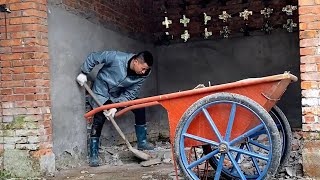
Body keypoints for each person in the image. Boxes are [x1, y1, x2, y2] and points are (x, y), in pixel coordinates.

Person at [76, 50, 154, 167]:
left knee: (139, 107)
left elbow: (131, 93)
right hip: (102, 92)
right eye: (142, 68)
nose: (143, 72)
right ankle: (93, 154)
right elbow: (94, 57)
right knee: (100, 115)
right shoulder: (116, 57)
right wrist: (84, 72)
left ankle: (142, 142)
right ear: (136, 61)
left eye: (146, 70)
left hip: (118, 95)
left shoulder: (143, 74)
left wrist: (117, 106)